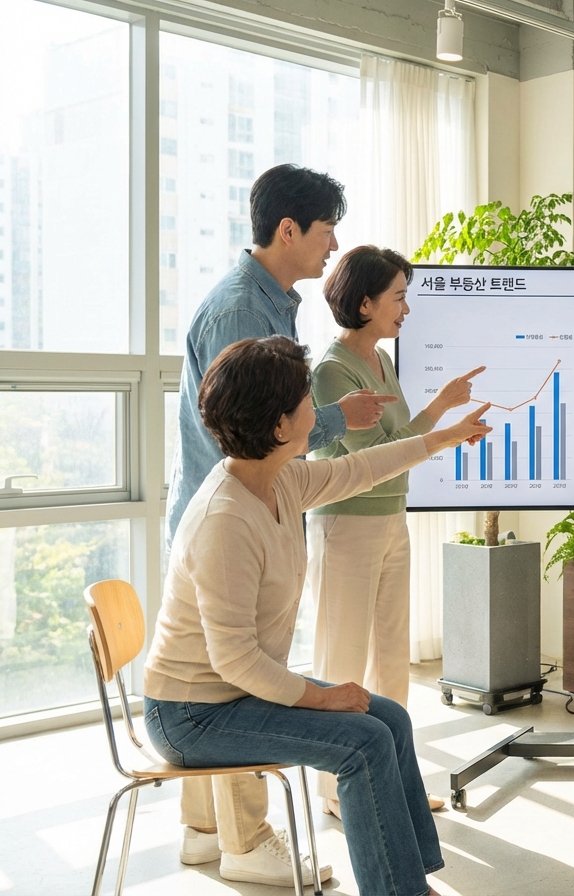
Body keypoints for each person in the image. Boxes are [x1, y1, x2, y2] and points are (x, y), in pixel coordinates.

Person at [145, 335, 491, 896]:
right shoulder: (226, 519)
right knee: (364, 741)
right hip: (192, 715)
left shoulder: (275, 480)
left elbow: (358, 470)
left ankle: (412, 881)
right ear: (280, 426)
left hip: (230, 697)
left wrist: (445, 437)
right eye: (307, 399)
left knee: (391, 720)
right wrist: (321, 696)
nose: (320, 409)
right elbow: (233, 659)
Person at [165, 163, 394, 884]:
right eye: (327, 230)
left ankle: (206, 831)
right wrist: (334, 420)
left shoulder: (270, 300)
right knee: (236, 678)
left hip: (243, 507)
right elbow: (249, 425)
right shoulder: (241, 309)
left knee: (220, 666)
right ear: (288, 229)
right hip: (233, 517)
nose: (333, 247)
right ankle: (248, 839)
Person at [307, 245, 483, 817]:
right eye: (399, 297)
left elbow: (397, 439)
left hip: (390, 520)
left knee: (392, 663)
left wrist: (440, 408)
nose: (407, 308)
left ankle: (397, 783)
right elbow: (373, 457)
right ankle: (338, 792)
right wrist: (445, 432)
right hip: (346, 527)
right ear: (365, 302)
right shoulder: (333, 369)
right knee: (344, 662)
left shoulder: (382, 362)